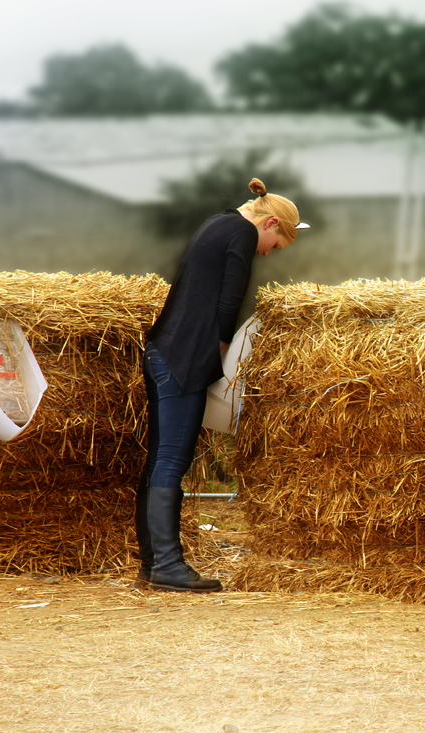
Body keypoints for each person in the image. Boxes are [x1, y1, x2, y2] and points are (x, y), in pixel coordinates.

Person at [136, 178, 308, 592]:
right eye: (276, 244)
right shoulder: (242, 233)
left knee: (160, 458)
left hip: (164, 349)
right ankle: (167, 567)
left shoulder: (218, 224)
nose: (268, 253)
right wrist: (220, 360)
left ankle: (153, 564)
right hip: (185, 357)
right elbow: (228, 302)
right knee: (172, 461)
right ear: (269, 224)